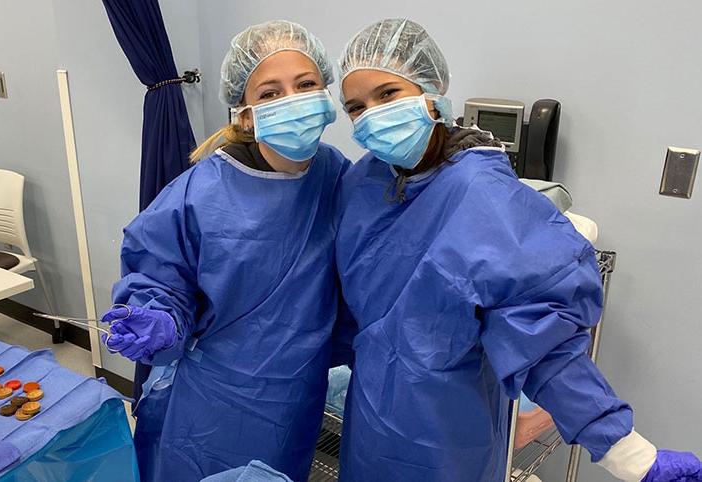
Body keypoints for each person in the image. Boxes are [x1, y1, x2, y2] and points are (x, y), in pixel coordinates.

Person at [334, 18, 702, 482]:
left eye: (387, 94)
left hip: (446, 438)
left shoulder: (484, 198)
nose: (371, 115)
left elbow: (544, 342)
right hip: (368, 423)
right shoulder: (365, 184)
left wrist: (630, 455)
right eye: (355, 107)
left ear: (432, 90)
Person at [101, 20, 352, 482]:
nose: (292, 101)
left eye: (305, 85)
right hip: (210, 405)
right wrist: (159, 317)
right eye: (271, 93)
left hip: (295, 397)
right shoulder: (199, 192)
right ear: (244, 113)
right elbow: (158, 277)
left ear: (326, 94)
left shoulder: (338, 177)